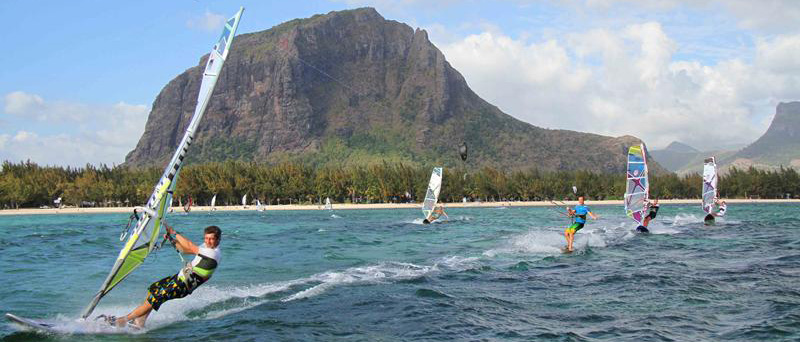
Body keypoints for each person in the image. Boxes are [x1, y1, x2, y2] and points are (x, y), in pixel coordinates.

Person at [98, 224, 222, 328]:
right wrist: (172, 240)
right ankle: (140, 322)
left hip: (182, 286)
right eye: (206, 238)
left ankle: (122, 321)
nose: (207, 241)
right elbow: (186, 250)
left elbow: (190, 245)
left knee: (155, 298)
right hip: (178, 278)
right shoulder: (206, 247)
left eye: (211, 239)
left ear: (218, 239)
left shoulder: (213, 253)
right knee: (153, 289)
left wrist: (174, 232)